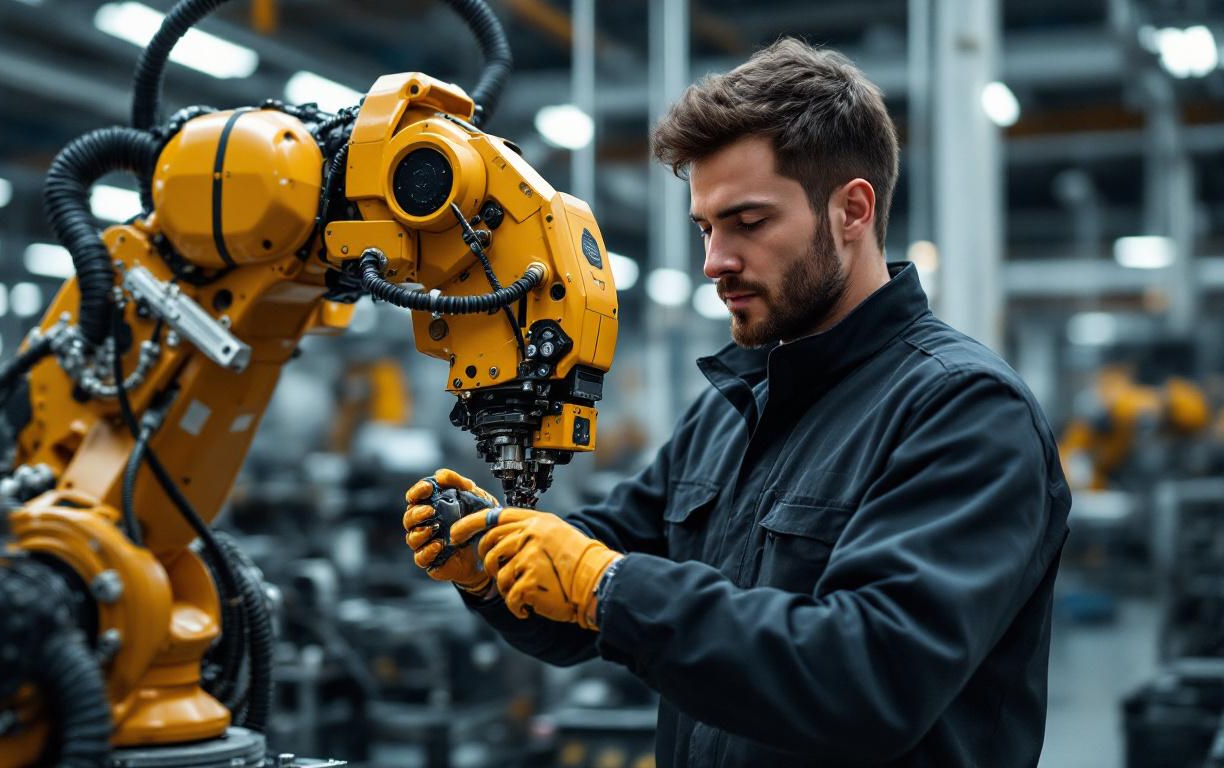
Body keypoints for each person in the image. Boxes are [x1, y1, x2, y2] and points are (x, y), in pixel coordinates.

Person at [402, 38, 1070, 767]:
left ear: (852, 210)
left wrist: (608, 585)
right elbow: (597, 582)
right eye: (705, 228)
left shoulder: (963, 411)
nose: (714, 262)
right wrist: (493, 564)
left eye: (747, 223)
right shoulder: (732, 406)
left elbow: (871, 677)